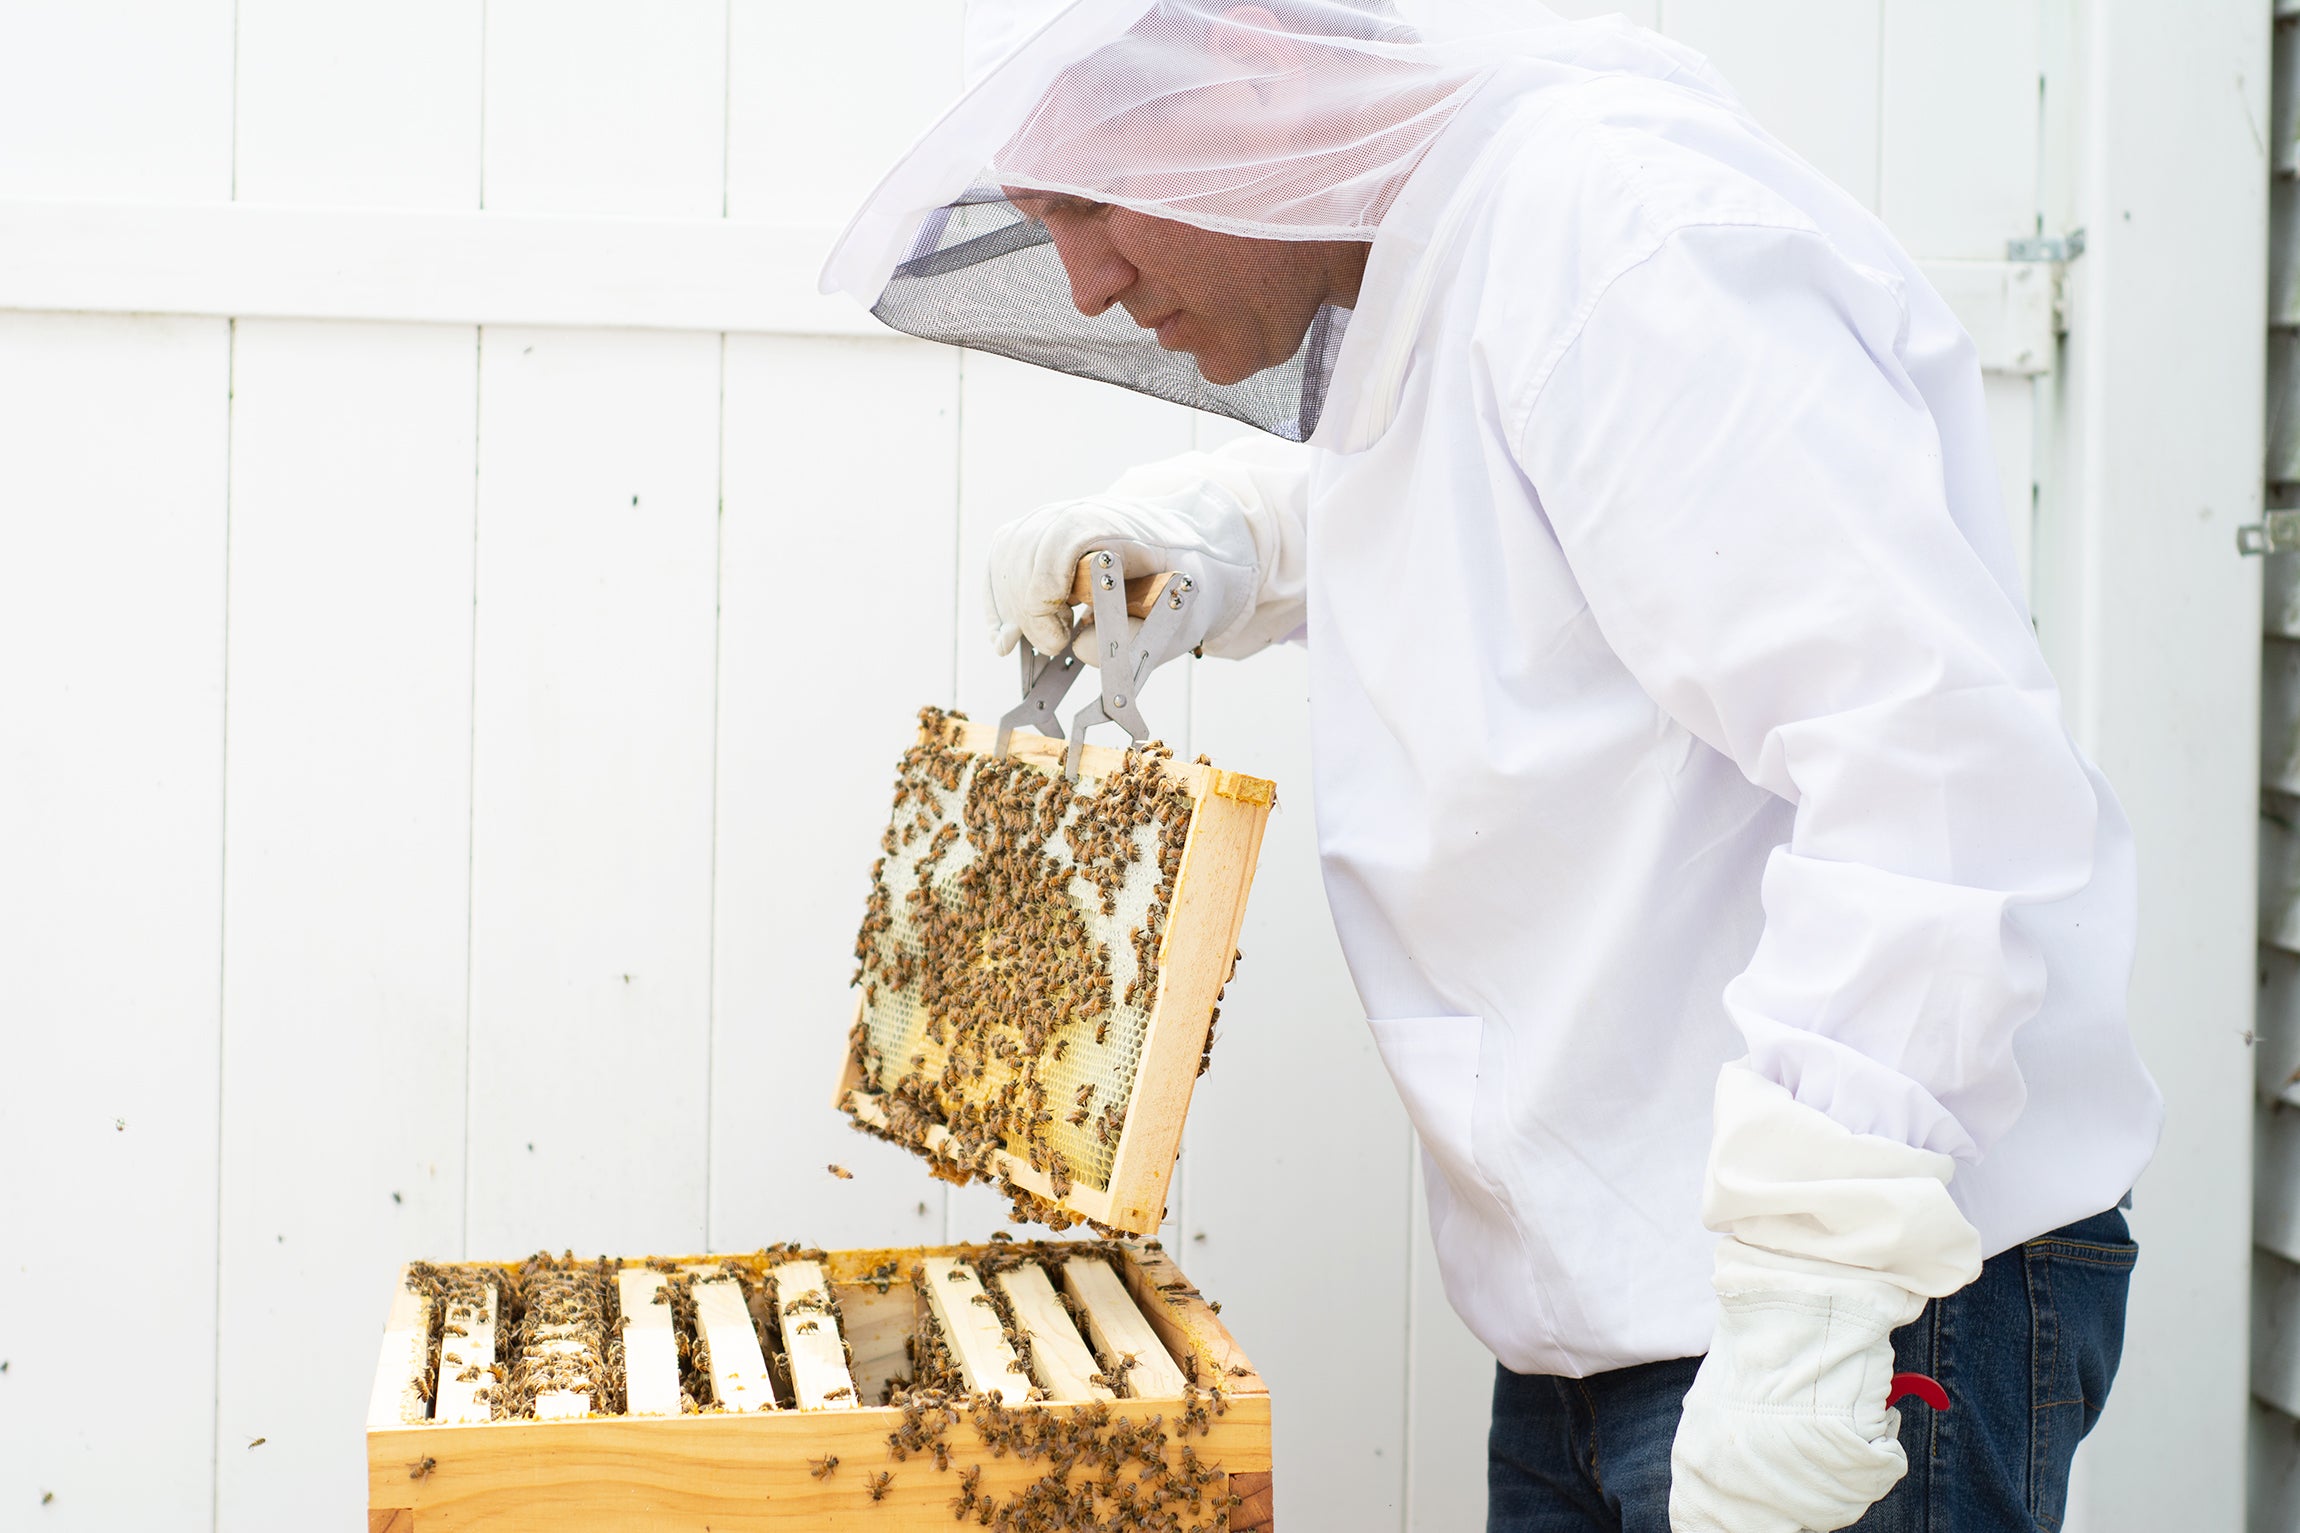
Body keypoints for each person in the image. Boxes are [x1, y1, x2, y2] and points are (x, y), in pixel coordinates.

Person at [823, 4, 2162, 1529]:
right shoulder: (1447, 248)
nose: (1084, 281)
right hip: (1613, 1322)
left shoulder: (1615, 236)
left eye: (1090, 203)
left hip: (1844, 1299)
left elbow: (1928, 756)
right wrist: (1225, 537)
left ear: (1251, 72)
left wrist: (1813, 1292)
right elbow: (1498, 509)